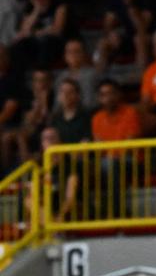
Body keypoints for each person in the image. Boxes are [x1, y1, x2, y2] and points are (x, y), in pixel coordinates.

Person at [90, 79, 141, 218]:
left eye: (111, 93)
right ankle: (90, 211)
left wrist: (111, 155)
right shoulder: (96, 118)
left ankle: (116, 211)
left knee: (109, 164)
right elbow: (98, 146)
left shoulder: (130, 112)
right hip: (107, 161)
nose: (108, 98)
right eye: (103, 94)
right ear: (99, 98)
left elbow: (129, 144)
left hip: (130, 160)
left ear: (118, 95)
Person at [95, 0, 154, 70]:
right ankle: (100, 76)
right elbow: (107, 24)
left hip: (151, 35)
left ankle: (141, 74)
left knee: (138, 39)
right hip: (128, 36)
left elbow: (142, 28)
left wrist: (130, 3)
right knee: (103, 43)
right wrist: (111, 34)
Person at [10, 0, 70, 70]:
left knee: (46, 43)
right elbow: (24, 31)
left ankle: (41, 73)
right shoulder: (30, 5)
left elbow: (57, 30)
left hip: (56, 42)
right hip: (37, 42)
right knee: (18, 46)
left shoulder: (59, 2)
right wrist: (37, 9)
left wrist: (33, 33)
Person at [54, 39, 99, 113]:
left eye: (77, 51)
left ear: (84, 54)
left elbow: (90, 103)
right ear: (65, 56)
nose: (73, 55)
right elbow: (57, 105)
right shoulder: (61, 77)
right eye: (69, 52)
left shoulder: (91, 75)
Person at [48, 78, 91, 145]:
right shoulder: (55, 119)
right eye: (62, 91)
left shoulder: (86, 116)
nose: (65, 95)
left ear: (77, 95)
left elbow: (87, 140)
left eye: (70, 92)